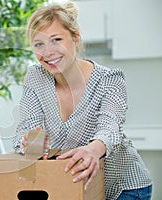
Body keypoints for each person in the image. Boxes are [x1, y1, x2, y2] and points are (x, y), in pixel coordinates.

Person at [12, 2, 152, 200]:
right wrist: (28, 141)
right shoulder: (36, 77)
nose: (47, 52)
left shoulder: (108, 79)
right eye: (39, 44)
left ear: (75, 38)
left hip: (123, 187)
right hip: (76, 186)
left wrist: (93, 149)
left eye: (56, 40)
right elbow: (25, 129)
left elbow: (110, 128)